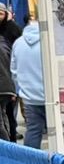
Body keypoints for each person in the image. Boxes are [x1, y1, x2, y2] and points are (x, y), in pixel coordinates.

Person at [11, 17, 45, 149]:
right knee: (59, 132)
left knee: (33, 131)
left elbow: (14, 71)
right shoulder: (49, 42)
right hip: (52, 96)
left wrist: (20, 89)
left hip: (29, 97)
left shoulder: (18, 43)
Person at [0, 4, 21, 138]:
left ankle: (10, 143)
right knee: (5, 116)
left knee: (8, 116)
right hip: (6, 81)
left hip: (8, 80)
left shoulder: (13, 30)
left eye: (0, 13)